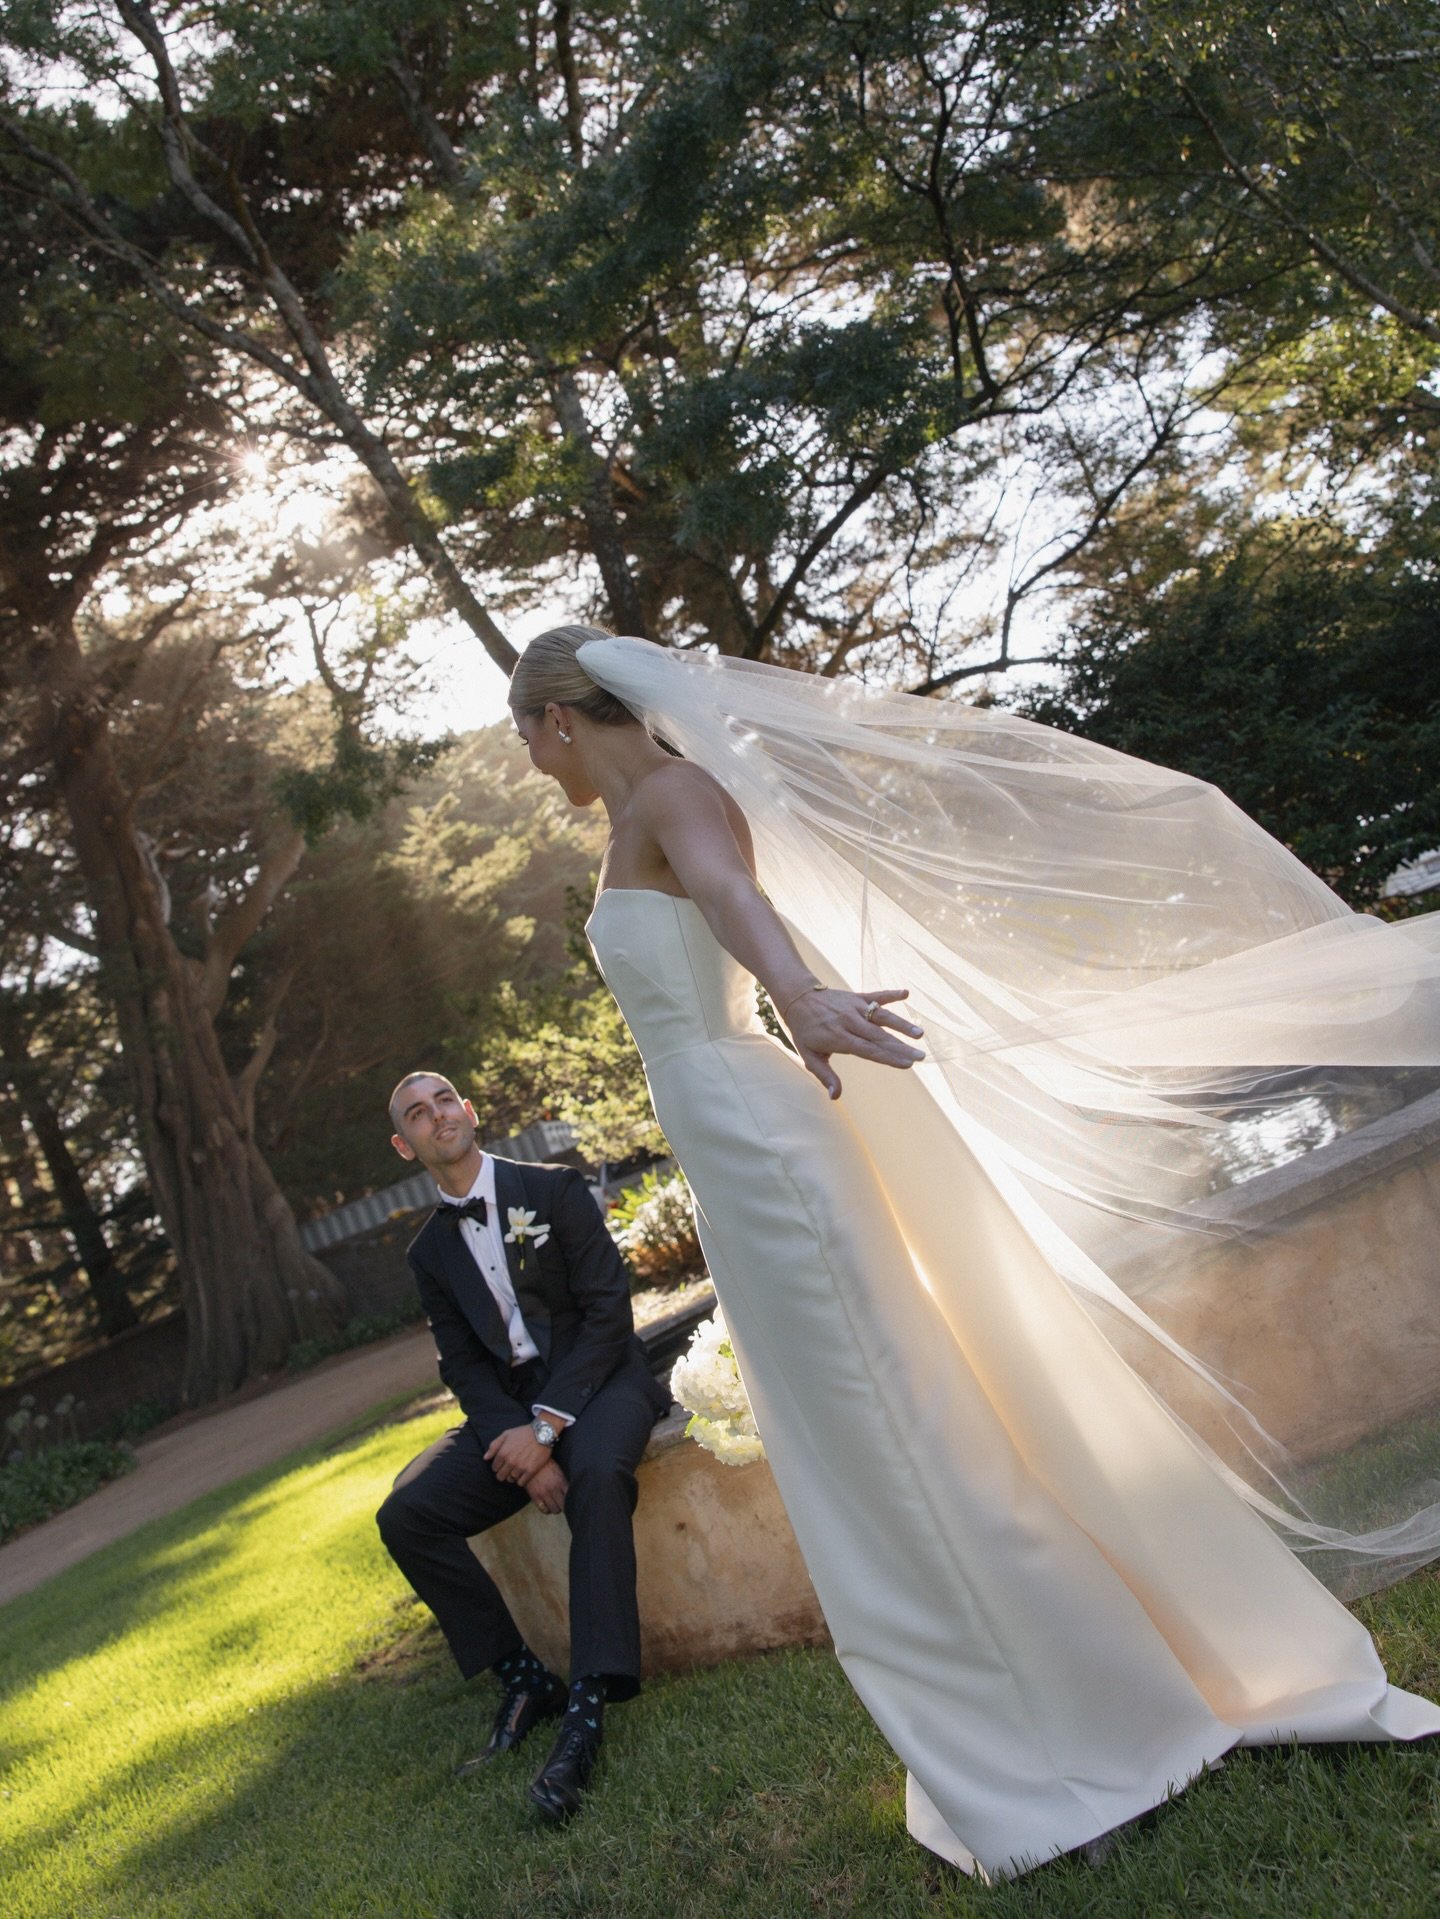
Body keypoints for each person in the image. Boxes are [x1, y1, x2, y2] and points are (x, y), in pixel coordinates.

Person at [506, 623, 1440, 1881]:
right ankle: (1027, 1715)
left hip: (755, 1126)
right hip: (729, 1147)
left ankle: (1085, 1720)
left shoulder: (673, 794)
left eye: (524, 736)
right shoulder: (631, 820)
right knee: (869, 1436)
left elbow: (738, 901)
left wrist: (797, 994)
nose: (527, 761)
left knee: (897, 1425)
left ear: (560, 717)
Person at [376, 1070, 670, 1823]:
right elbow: (462, 1364)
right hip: (507, 1414)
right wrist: (515, 1436)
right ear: (405, 1144)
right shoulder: (427, 1255)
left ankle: (588, 1701)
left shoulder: (555, 1190)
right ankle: (521, 1674)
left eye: (444, 1099)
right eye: (417, 1112)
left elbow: (609, 1314)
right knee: (407, 1514)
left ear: (469, 1110)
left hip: (601, 1383)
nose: (435, 1114)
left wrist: (547, 1429)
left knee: (598, 1475)